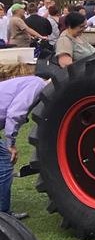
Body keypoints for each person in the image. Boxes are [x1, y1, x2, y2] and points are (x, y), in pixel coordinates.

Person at [0, 75, 48, 220]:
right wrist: (11, 144)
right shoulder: (37, 85)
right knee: (5, 161)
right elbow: (15, 113)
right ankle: (3, 216)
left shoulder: (33, 82)